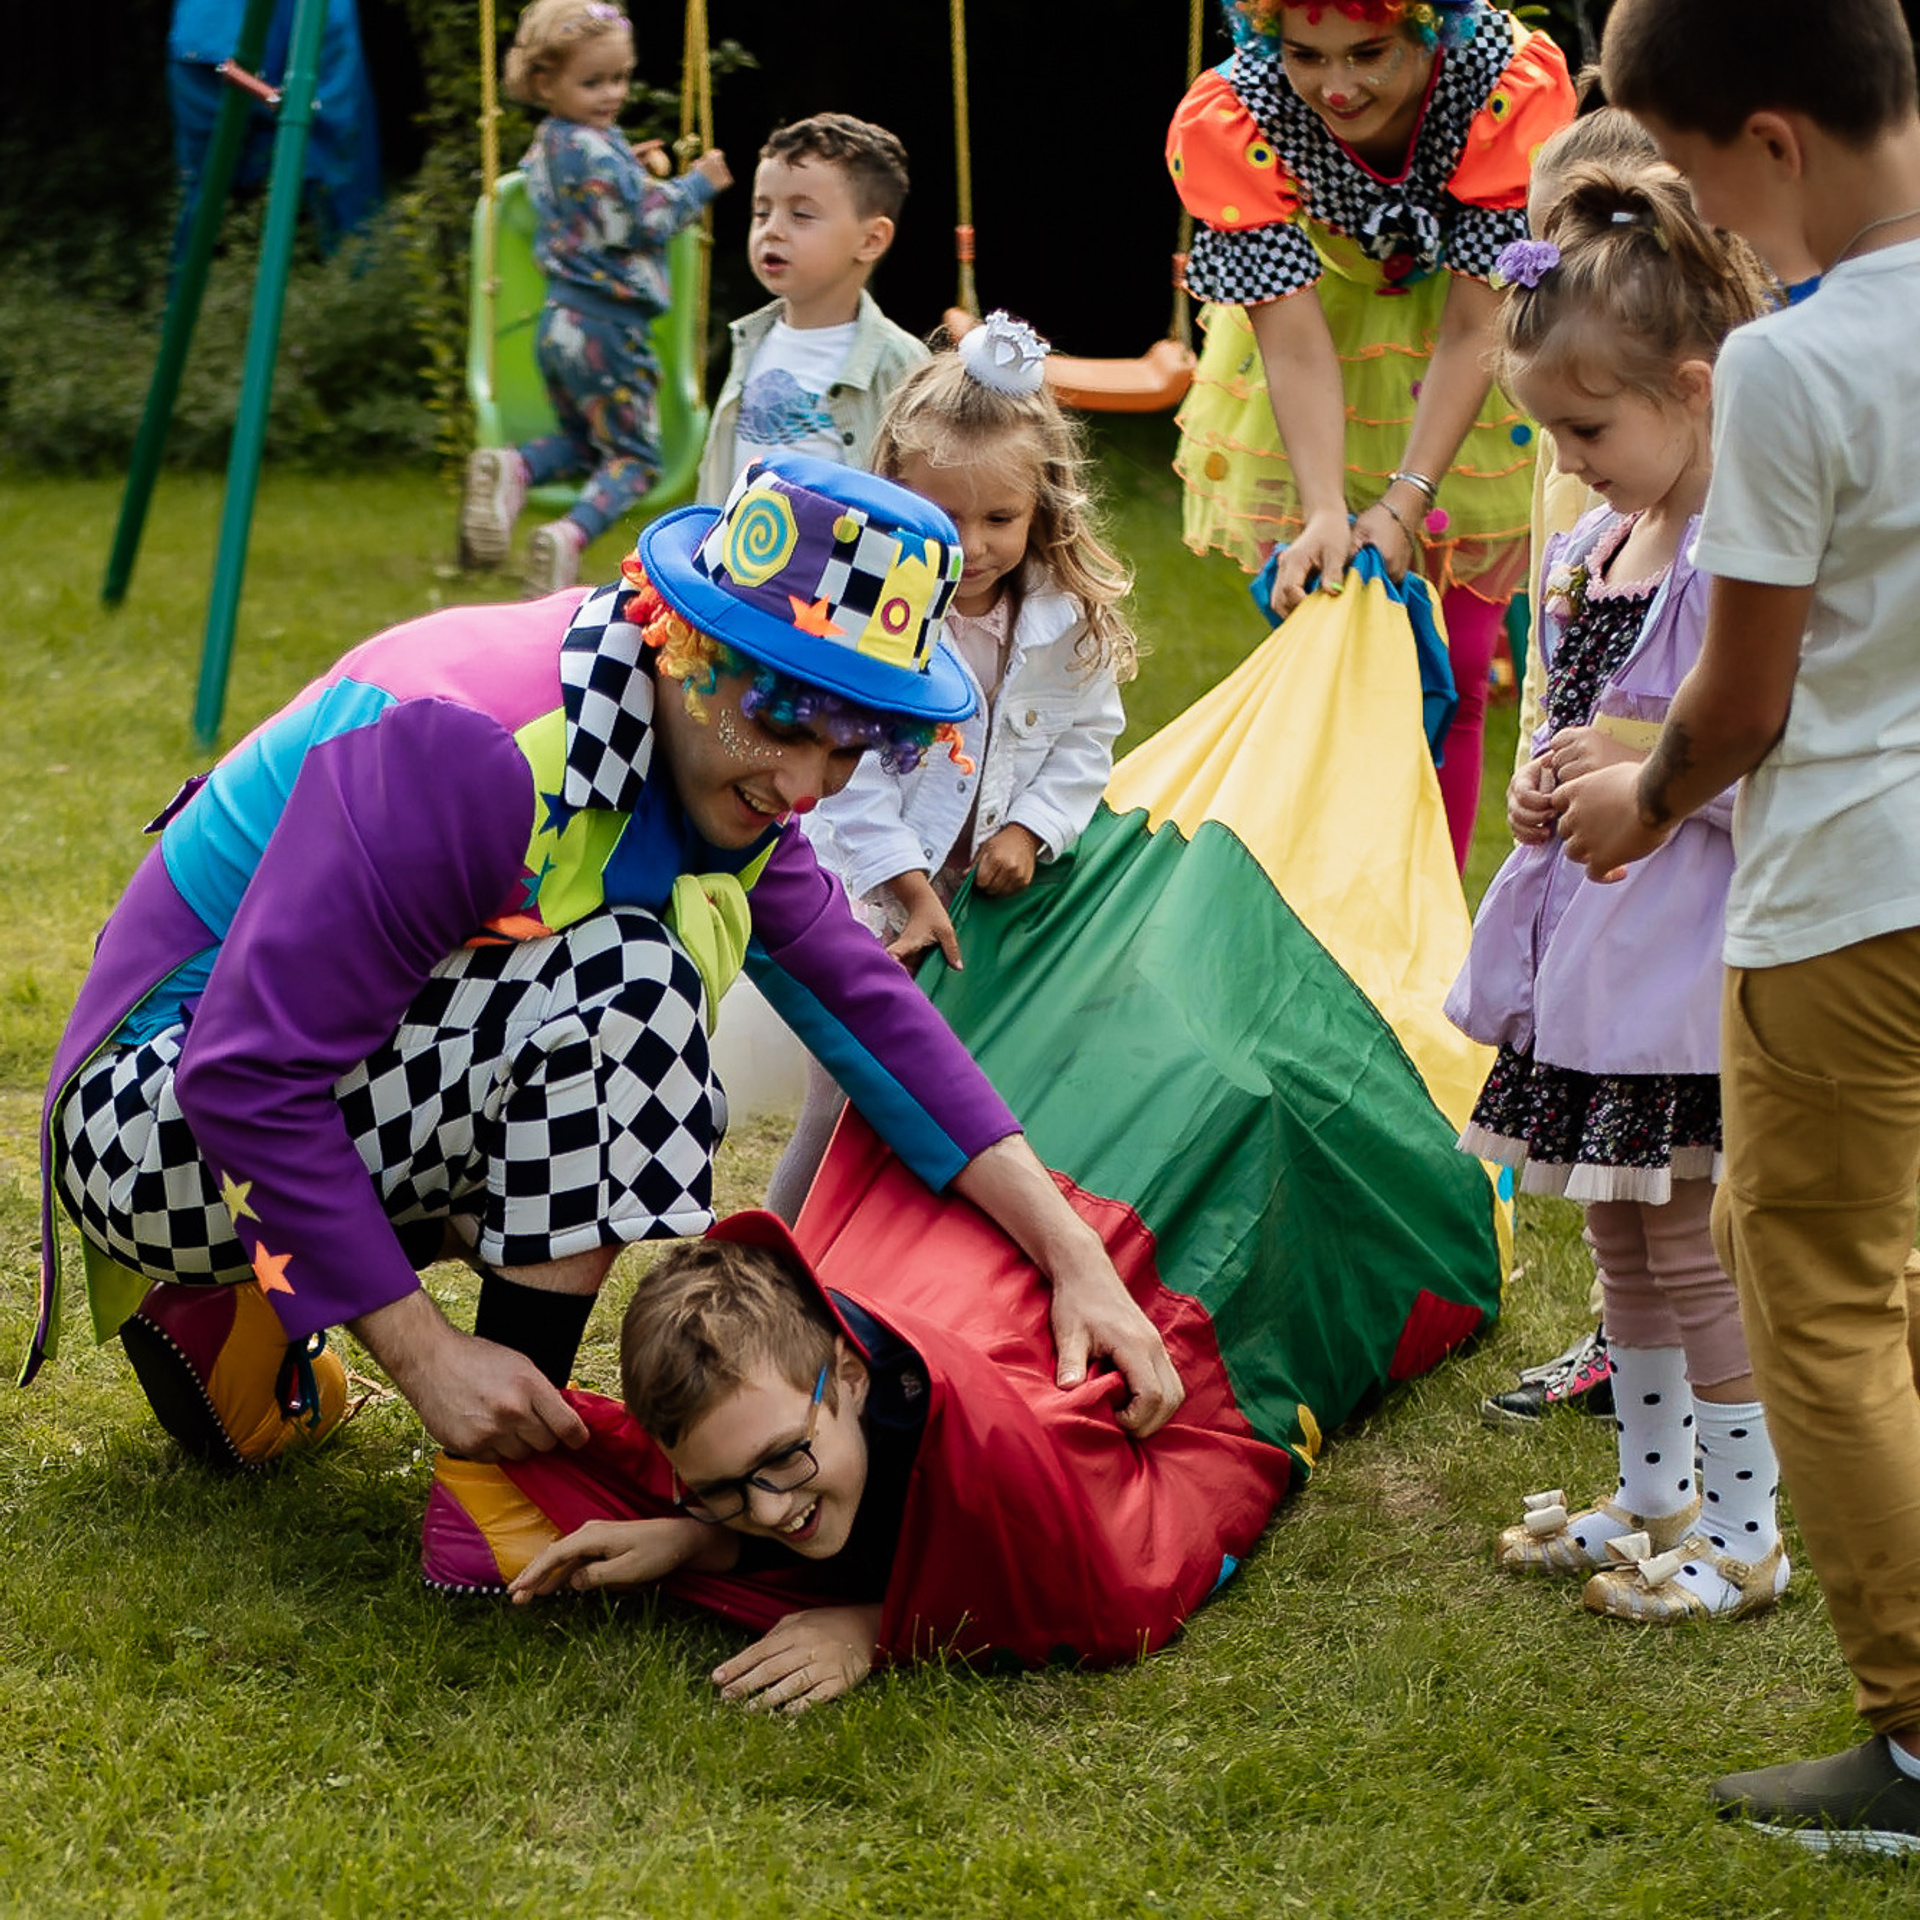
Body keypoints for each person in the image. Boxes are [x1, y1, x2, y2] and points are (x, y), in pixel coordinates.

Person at [31, 452, 1185, 1507]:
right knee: (632, 983)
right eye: (785, 718)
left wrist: (1073, 1255)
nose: (808, 783)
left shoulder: (695, 758)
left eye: (852, 746)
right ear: (692, 648)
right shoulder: (475, 748)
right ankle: (494, 1490)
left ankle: (251, 1324)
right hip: (147, 1126)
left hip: (283, 1103)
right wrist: (429, 1358)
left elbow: (867, 1014)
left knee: (623, 990)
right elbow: (243, 1075)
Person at [1552, 0, 1920, 1851]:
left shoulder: (1798, 361)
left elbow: (1746, 700)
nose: (1706, 220)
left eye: (1697, 176)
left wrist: (1640, 795)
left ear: (1771, 140)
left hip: (1848, 891)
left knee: (1821, 1300)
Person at [1445, 166, 1785, 1625]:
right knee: (1619, 1236)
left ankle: (1751, 1527)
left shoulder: (1740, 568)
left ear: (1696, 390)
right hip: (1590, 961)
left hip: (1679, 975)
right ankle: (1653, 1496)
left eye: (1587, 428)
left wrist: (1649, 763)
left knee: (1696, 1250)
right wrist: (1538, 783)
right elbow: (1562, 720)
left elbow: (1769, 745)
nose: (1569, 462)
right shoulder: (1599, 550)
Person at [448, 1198, 1289, 1712]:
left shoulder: (975, 1432)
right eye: (722, 1489)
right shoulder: (775, 1455)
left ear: (848, 1375)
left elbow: (1102, 1580)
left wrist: (881, 1628)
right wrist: (699, 1537)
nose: (773, 1509)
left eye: (783, 1458)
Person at [1164, 0, 1574, 870]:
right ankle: (1323, 917)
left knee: (1461, 670)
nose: (1337, 85)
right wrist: (1323, 508)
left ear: (1431, 30)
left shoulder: (1505, 85)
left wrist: (1406, 496)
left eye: (1369, 53)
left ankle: (1429, 942)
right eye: (1306, 56)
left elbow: (1476, 323)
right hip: (1325, 355)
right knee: (1332, 654)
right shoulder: (1234, 115)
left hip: (1464, 357)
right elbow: (1292, 338)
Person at [764, 313, 1135, 1220]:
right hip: (872, 899)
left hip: (992, 903)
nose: (972, 545)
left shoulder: (1063, 619)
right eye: (943, 518)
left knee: (961, 1098)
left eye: (1000, 519)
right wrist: (909, 883)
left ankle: (886, 1269)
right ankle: (766, 1260)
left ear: (1042, 505)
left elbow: (1089, 736)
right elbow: (845, 781)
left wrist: (1032, 828)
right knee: (846, 1092)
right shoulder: (873, 618)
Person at [1478, 98, 1660, 1431]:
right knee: (1605, 1113)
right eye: (1552, 236)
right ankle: (1627, 1342)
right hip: (1581, 815)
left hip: (1672, 828)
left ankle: (1719, 1366)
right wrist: (1536, 758)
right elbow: (1562, 636)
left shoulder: (1678, 456)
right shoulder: (1572, 450)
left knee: (1675, 1125)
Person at [458, 0, 731, 597]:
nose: (612, 93)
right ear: (545, 83)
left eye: (619, 78)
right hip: (608, 329)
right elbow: (640, 223)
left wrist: (628, 171)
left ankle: (518, 468)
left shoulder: (552, 144)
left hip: (559, 324)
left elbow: (592, 201)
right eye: (593, 82)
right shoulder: (596, 151)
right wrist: (697, 185)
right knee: (635, 460)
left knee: (586, 444)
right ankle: (570, 537)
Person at [695, 114, 926, 508]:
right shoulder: (750, 341)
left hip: (837, 566)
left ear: (871, 239)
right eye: (762, 212)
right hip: (737, 562)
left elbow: (922, 494)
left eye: (801, 215)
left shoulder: (900, 363)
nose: (773, 230)